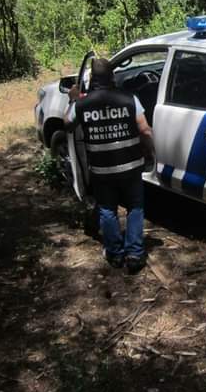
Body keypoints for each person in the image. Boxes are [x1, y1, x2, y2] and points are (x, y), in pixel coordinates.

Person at [65, 58, 154, 272]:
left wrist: (73, 99)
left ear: (92, 80)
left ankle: (115, 254)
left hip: (102, 170)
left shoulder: (82, 104)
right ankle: (134, 255)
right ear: (112, 77)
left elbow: (67, 124)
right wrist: (152, 152)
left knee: (107, 210)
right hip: (131, 166)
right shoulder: (129, 99)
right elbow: (145, 130)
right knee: (135, 208)